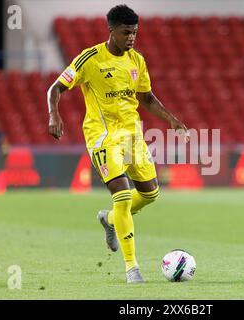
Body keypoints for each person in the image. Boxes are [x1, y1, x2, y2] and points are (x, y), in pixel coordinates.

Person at [47, 4, 189, 283]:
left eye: (135, 33)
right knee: (123, 196)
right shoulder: (90, 59)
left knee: (150, 194)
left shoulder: (137, 60)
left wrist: (171, 119)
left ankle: (110, 219)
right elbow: (55, 88)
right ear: (111, 30)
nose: (132, 38)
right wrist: (54, 115)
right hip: (102, 136)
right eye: (126, 32)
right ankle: (132, 268)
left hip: (132, 135)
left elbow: (147, 98)